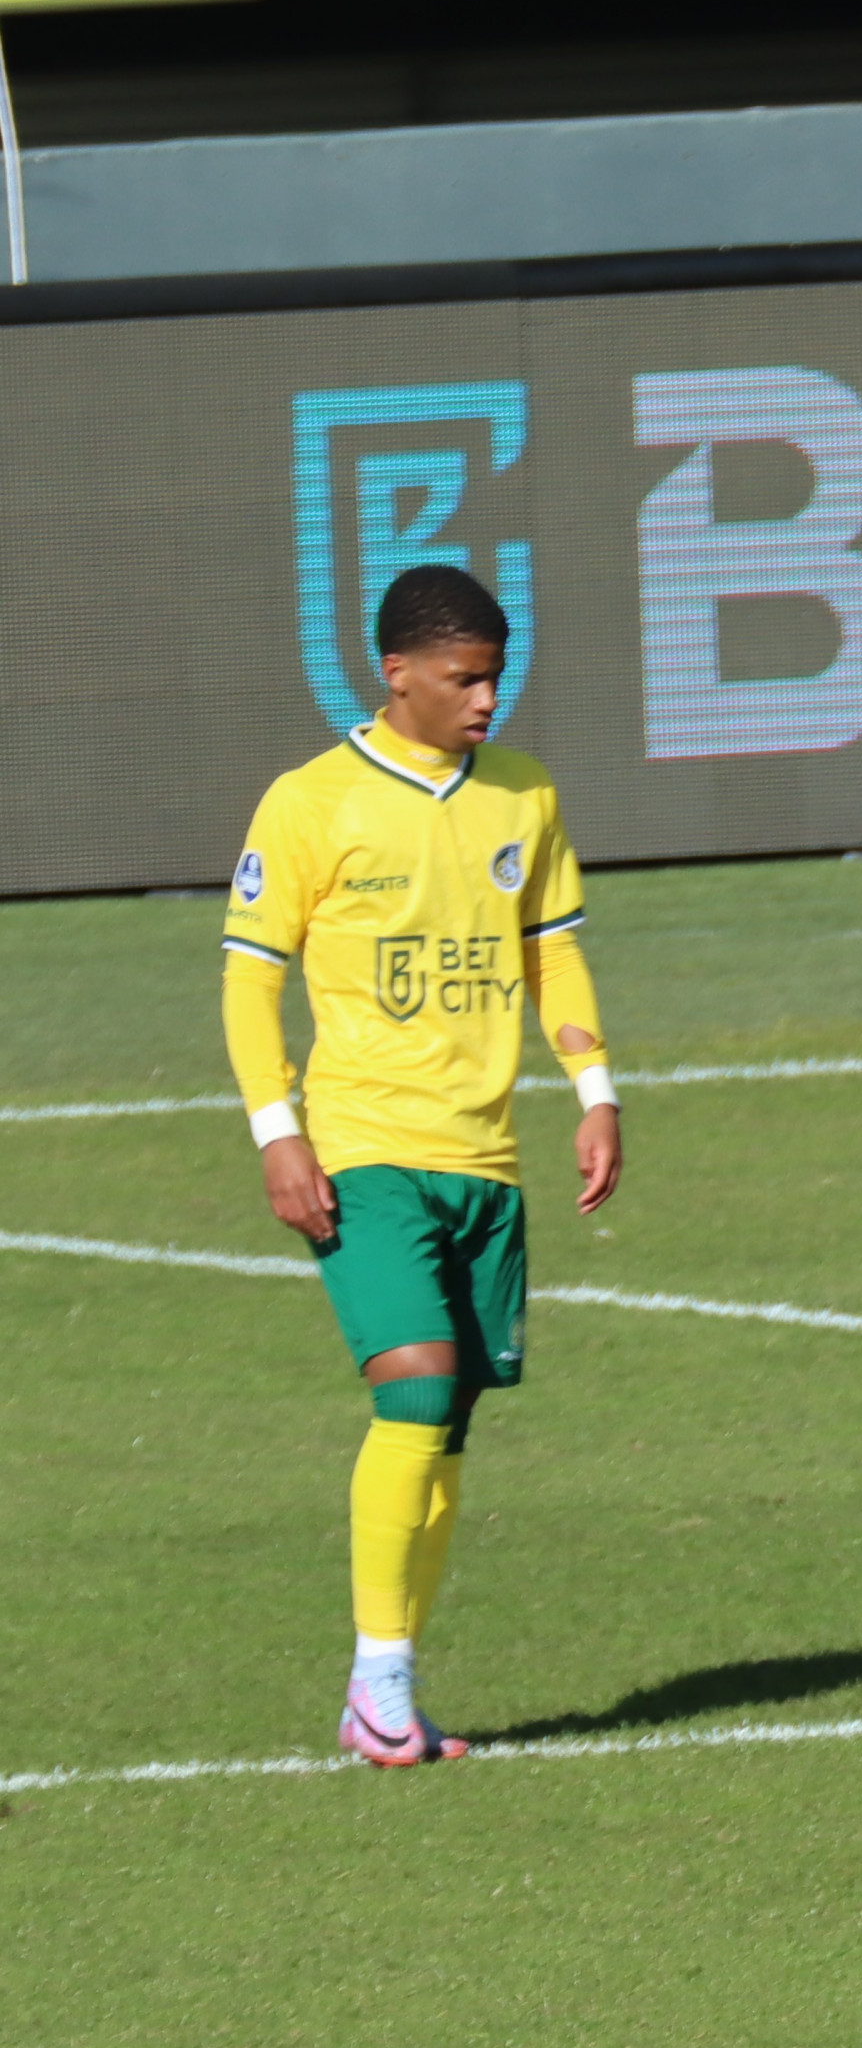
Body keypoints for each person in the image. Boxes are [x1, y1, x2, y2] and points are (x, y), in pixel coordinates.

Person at [222, 565, 621, 1769]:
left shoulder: (524, 795)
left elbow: (552, 955)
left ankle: (382, 1692)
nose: (488, 698)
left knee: (444, 1422)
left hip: (483, 1159)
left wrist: (596, 1092)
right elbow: (250, 975)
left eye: (498, 675)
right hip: (362, 1144)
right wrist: (276, 1130)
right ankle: (381, 1680)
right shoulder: (309, 803)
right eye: (465, 678)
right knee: (411, 1387)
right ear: (395, 676)